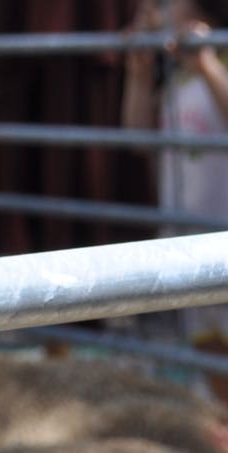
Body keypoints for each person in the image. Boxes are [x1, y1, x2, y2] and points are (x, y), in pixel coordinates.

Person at [123, 0, 228, 395]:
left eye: (162, 3)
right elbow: (136, 137)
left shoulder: (218, 63)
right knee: (208, 348)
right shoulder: (175, 78)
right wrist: (138, 75)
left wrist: (209, 64)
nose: (150, 12)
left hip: (222, 240)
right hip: (185, 240)